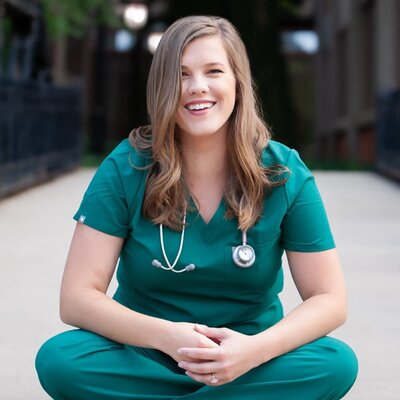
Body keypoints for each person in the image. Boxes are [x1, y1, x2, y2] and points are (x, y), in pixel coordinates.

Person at [35, 15, 358, 399]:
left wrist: (253, 351)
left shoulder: (283, 172)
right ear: (162, 86)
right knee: (60, 359)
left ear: (237, 81)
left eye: (214, 71)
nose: (196, 87)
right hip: (145, 356)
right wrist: (166, 336)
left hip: (248, 360)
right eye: (181, 74)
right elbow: (76, 298)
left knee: (335, 363)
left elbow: (329, 300)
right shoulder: (126, 167)